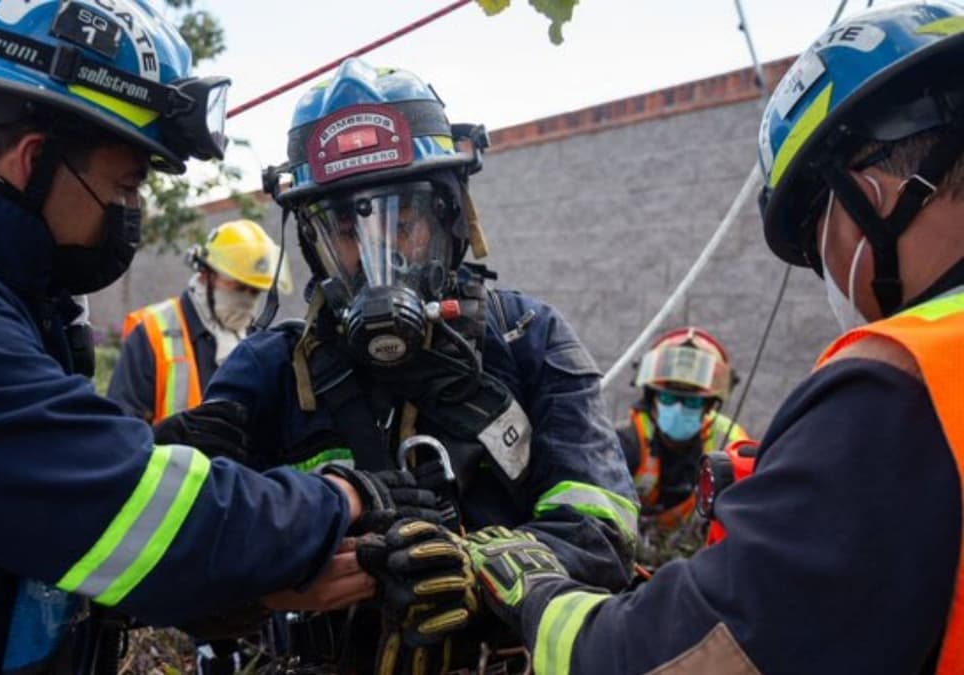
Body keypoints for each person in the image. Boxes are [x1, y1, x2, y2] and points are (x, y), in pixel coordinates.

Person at [0, 3, 452, 672]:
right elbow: (130, 521)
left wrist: (153, 454)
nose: (131, 215)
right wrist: (345, 497)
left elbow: (11, 513)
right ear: (32, 159)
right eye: (125, 187)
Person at [463, 3, 964, 672]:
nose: (827, 272)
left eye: (814, 238)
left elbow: (690, 650)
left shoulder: (903, 382)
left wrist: (544, 598)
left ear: (864, 193)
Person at [201, 58, 638, 674]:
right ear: (311, 241)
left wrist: (475, 568)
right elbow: (197, 552)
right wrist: (287, 571)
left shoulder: (529, 339)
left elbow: (602, 527)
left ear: (449, 217)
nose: (375, 256)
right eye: (346, 230)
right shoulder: (269, 371)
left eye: (401, 221)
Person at [108, 218, 291, 424]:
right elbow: (123, 427)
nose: (247, 299)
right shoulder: (152, 332)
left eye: (255, 292)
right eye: (239, 287)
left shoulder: (255, 340)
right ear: (206, 274)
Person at [615, 327, 750, 565]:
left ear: (709, 406)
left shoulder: (730, 443)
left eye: (691, 401)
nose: (677, 408)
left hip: (705, 568)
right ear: (651, 399)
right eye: (667, 398)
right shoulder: (625, 443)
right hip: (630, 564)